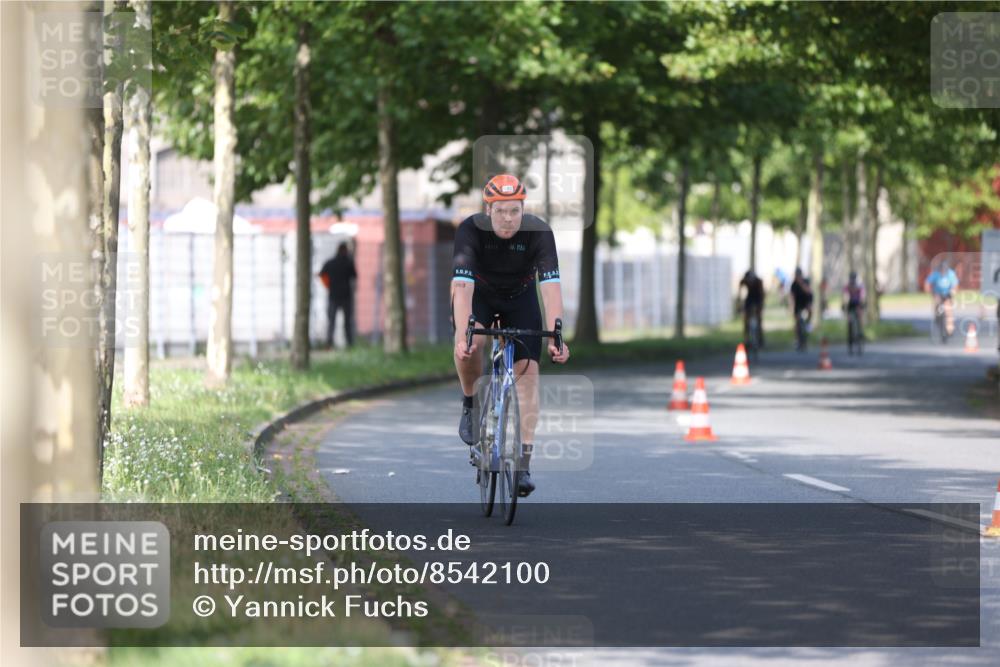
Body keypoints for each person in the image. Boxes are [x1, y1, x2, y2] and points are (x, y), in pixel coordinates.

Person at [451, 174, 570, 497]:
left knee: (528, 372)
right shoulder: (470, 230)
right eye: (501, 211)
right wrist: (464, 334)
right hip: (480, 295)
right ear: (488, 210)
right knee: (472, 343)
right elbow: (462, 288)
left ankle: (523, 464)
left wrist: (556, 336)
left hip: (520, 297)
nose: (508, 218)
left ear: (523, 209)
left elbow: (550, 287)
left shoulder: (539, 232)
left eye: (514, 211)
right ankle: (470, 402)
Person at [318, 243, 357, 349]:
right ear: (344, 250)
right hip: (346, 297)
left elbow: (321, 274)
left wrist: (327, 285)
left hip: (333, 296)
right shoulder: (348, 263)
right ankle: (350, 344)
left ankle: (329, 344)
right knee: (347, 323)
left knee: (331, 322)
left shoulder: (330, 263)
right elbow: (354, 276)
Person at [924, 259, 959, 336]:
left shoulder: (951, 274)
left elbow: (955, 285)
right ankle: (937, 317)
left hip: (947, 293)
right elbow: (928, 282)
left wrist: (953, 291)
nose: (943, 271)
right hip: (937, 293)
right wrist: (929, 291)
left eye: (944, 269)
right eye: (942, 269)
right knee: (937, 302)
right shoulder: (935, 274)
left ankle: (950, 328)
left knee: (948, 309)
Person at [739, 269, 765, 348]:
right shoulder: (744, 281)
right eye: (748, 280)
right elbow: (740, 290)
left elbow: (762, 294)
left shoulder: (759, 281)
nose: (750, 282)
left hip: (758, 298)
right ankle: (746, 339)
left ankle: (760, 338)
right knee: (746, 319)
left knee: (759, 318)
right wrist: (740, 302)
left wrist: (761, 305)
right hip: (749, 299)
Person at [789, 268, 813, 350]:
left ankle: (808, 323)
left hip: (806, 301)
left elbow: (809, 291)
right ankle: (797, 339)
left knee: (809, 310)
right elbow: (792, 296)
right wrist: (791, 307)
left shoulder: (805, 281)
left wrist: (801, 284)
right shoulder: (793, 284)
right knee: (797, 321)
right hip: (798, 304)